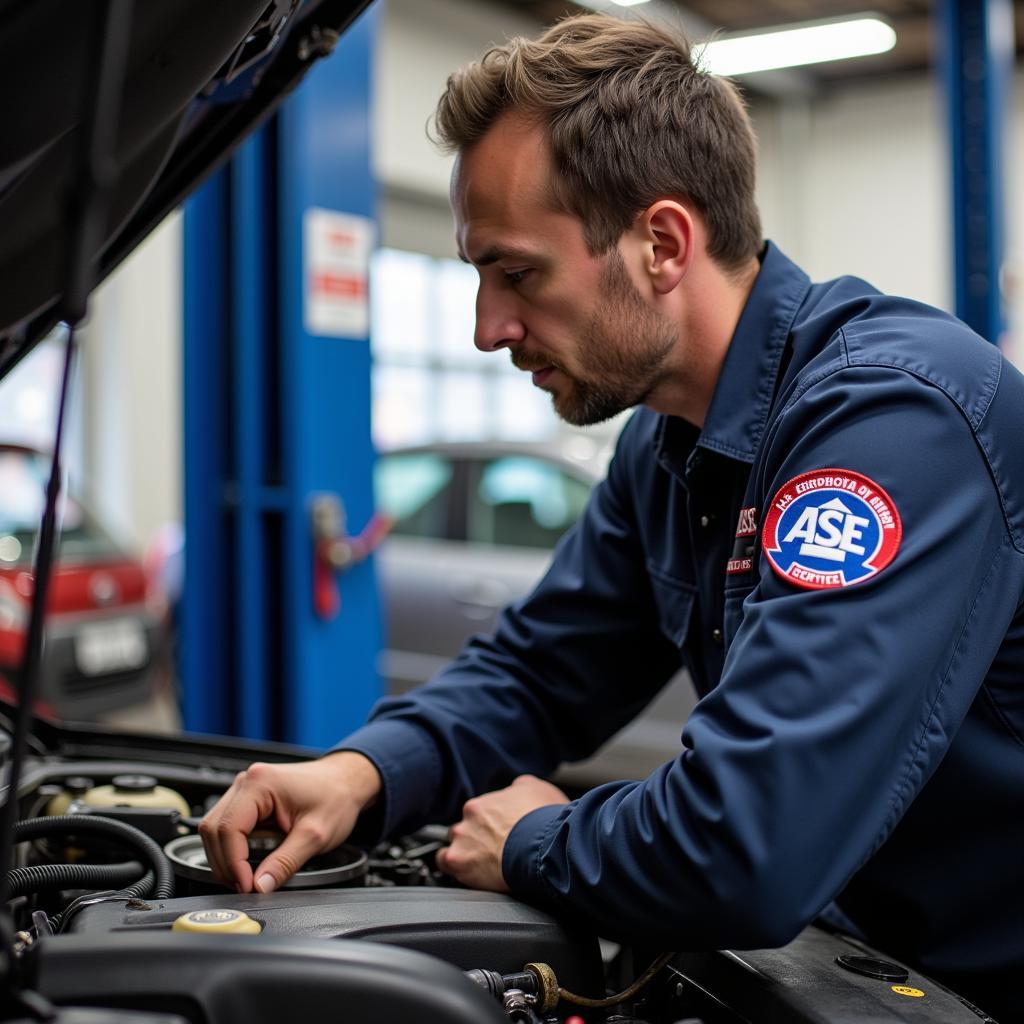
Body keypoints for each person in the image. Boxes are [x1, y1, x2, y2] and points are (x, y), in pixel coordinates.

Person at [200, 14, 1024, 1020]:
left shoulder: (894, 422)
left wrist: (540, 840)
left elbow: (747, 844)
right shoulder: (669, 443)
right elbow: (542, 673)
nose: (486, 329)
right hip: (860, 967)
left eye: (517, 273)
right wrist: (363, 772)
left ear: (662, 242)